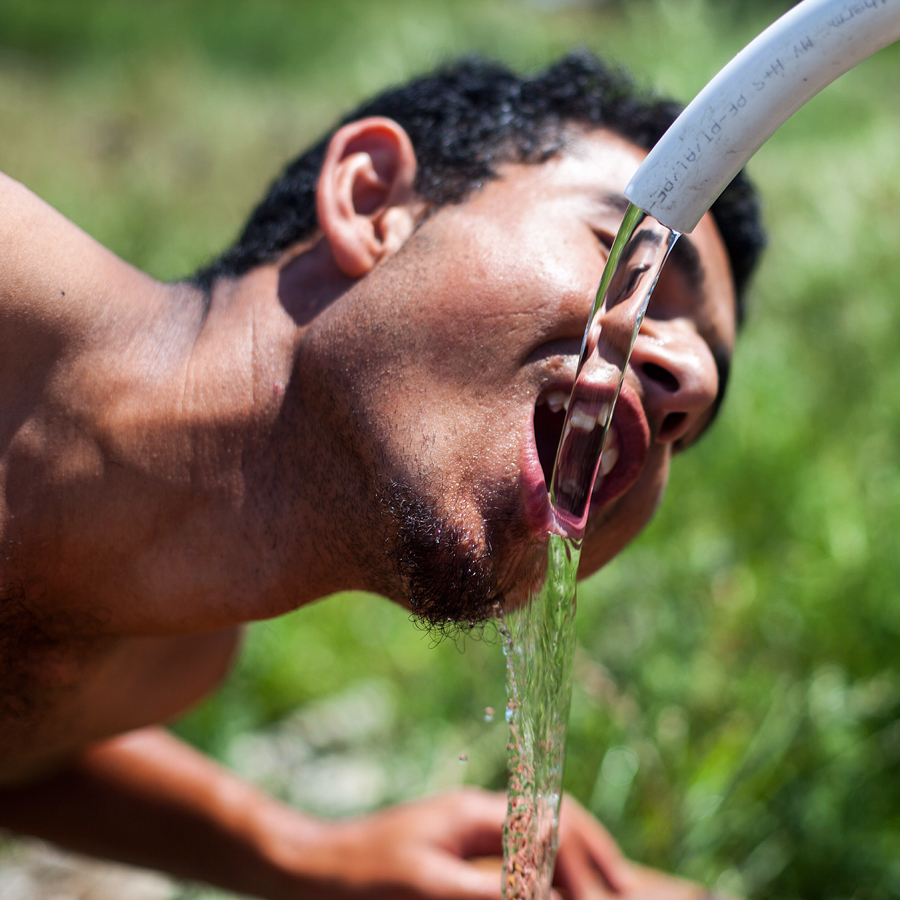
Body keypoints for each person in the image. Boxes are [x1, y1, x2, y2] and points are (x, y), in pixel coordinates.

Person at [0, 52, 764, 899]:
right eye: (625, 259)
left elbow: (22, 762)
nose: (694, 383)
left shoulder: (170, 657)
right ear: (374, 202)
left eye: (696, 422)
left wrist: (300, 854)